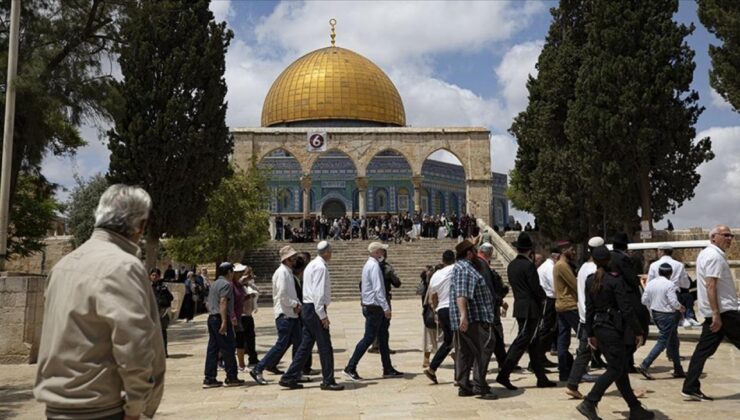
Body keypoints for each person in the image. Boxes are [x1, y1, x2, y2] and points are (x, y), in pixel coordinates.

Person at [34, 184, 166, 420]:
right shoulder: (124, 266)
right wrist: (137, 408)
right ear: (140, 226)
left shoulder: (62, 266)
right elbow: (135, 343)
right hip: (100, 408)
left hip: (55, 408)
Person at [576, 246, 654, 420]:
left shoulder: (590, 280)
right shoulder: (614, 281)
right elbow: (626, 309)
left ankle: (635, 408)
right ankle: (589, 402)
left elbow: (589, 309)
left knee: (619, 369)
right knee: (615, 368)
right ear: (609, 261)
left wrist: (590, 333)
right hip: (612, 329)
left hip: (598, 327)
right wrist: (638, 330)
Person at [682, 225, 740, 401]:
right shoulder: (714, 256)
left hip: (717, 312)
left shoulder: (707, 254)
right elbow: (711, 285)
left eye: (731, 235)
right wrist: (716, 313)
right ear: (714, 237)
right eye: (725, 235)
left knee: (702, 351)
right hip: (724, 312)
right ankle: (690, 386)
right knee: (703, 351)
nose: (730, 238)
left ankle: (690, 386)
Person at [280, 241, 344, 391]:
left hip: (308, 309)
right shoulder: (320, 267)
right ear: (327, 252)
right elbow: (318, 293)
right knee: (325, 346)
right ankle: (328, 380)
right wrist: (322, 315)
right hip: (315, 309)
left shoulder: (312, 265)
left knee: (305, 345)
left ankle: (289, 376)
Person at [497, 232, 556, 390]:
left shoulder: (512, 265)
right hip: (530, 309)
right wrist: (543, 297)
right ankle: (504, 373)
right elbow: (534, 287)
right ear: (529, 250)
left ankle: (541, 378)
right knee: (522, 341)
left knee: (533, 343)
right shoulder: (528, 265)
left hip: (521, 306)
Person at [343, 242, 403, 381]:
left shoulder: (369, 265)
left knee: (383, 337)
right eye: (382, 250)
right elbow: (378, 289)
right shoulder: (374, 266)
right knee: (369, 337)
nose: (383, 252)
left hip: (372, 306)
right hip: (375, 307)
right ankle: (350, 367)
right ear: (377, 252)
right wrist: (386, 308)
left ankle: (387, 368)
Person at [449, 240, 498, 399]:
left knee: (466, 351)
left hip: (470, 318)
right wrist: (463, 316)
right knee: (485, 347)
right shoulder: (464, 269)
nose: (477, 254)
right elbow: (462, 293)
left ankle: (464, 385)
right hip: (474, 318)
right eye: (474, 251)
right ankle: (479, 385)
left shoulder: (464, 268)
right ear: (469, 253)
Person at [250, 246, 303, 385]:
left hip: (292, 314)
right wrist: (295, 305)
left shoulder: (288, 272)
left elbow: (290, 294)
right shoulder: (282, 273)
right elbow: (283, 295)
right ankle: (258, 368)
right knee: (281, 345)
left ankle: (295, 372)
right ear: (287, 259)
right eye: (293, 257)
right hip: (285, 315)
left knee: (299, 343)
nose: (296, 259)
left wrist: (296, 304)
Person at [565, 236, 604, 399]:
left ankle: (572, 384)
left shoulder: (582, 268)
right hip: (594, 317)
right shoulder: (594, 270)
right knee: (616, 356)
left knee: (584, 352)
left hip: (584, 315)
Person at [610, 232, 649, 372]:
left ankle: (627, 363)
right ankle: (625, 362)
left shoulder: (610, 257)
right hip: (628, 296)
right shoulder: (623, 259)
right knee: (637, 326)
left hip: (614, 297)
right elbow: (632, 279)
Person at [638, 263, 685, 380]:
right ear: (670, 273)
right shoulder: (669, 284)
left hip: (655, 314)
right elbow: (673, 302)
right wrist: (680, 307)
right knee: (663, 341)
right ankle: (645, 364)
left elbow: (644, 300)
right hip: (668, 315)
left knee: (673, 340)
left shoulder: (651, 283)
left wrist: (654, 304)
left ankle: (678, 368)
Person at [202, 263, 245, 388]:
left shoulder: (214, 284)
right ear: (229, 272)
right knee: (228, 348)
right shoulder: (226, 285)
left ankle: (209, 378)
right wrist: (224, 322)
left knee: (213, 349)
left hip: (212, 318)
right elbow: (223, 301)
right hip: (220, 318)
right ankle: (231, 377)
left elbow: (209, 303)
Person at [647, 244, 699, 328]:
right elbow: (686, 284)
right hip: (674, 294)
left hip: (658, 297)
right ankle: (688, 317)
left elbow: (649, 283)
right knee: (687, 296)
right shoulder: (679, 265)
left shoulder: (653, 265)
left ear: (661, 252)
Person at [424, 250, 456, 384]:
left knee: (449, 341)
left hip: (441, 310)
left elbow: (433, 296)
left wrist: (436, 311)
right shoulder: (454, 269)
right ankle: (459, 376)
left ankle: (432, 368)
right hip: (453, 309)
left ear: (442, 260)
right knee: (460, 341)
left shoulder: (436, 275)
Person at [477, 242, 509, 369]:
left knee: (495, 336)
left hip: (489, 306)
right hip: (487, 308)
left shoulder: (481, 264)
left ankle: (504, 362)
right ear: (488, 253)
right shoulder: (483, 266)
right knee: (491, 337)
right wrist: (499, 301)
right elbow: (488, 289)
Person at [554, 240, 580, 382]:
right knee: (583, 336)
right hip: (569, 305)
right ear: (564, 250)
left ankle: (564, 371)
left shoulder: (559, 265)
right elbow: (574, 285)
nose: (574, 252)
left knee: (563, 339)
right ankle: (578, 370)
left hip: (561, 305)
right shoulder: (562, 265)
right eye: (572, 249)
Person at [537, 246, 560, 366]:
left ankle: (541, 356)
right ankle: (539, 356)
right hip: (549, 300)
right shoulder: (550, 268)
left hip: (547, 299)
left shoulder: (544, 265)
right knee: (547, 328)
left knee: (548, 328)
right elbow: (554, 286)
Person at [238, 265, 261, 368]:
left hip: (248, 314)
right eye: (247, 272)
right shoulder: (239, 282)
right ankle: (241, 361)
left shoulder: (249, 284)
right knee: (241, 339)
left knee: (251, 337)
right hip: (241, 315)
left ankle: (253, 358)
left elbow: (257, 290)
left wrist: (250, 282)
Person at [150, 268, 174, 358]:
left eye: (156, 275)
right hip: (151, 314)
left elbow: (170, 298)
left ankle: (164, 352)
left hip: (161, 313)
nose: (154, 277)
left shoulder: (163, 287)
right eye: (153, 275)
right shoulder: (148, 287)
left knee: (162, 333)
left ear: (159, 276)